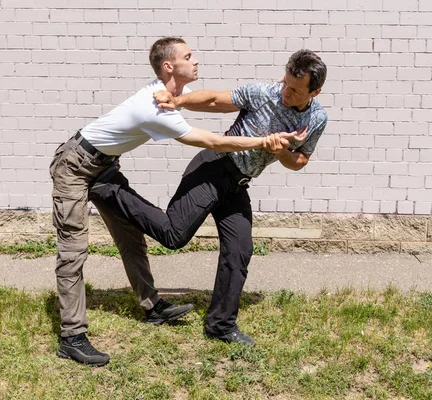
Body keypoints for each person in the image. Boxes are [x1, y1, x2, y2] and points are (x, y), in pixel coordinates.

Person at [50, 37, 302, 366]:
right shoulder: (154, 106)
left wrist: (180, 100)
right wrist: (264, 140)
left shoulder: (165, 97)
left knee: (131, 239)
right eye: (188, 56)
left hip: (104, 167)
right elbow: (213, 141)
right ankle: (72, 336)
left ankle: (152, 307)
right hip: (75, 166)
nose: (195, 60)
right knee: (73, 251)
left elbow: (198, 100)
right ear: (169, 66)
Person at [89, 49, 328, 346]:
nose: (285, 91)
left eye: (294, 90)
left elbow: (299, 162)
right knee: (174, 235)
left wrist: (281, 151)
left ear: (315, 91)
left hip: (238, 184)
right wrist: (179, 101)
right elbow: (215, 99)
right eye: (285, 82)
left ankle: (220, 325)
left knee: (239, 250)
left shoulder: (317, 118)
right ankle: (109, 187)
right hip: (214, 167)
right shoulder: (262, 93)